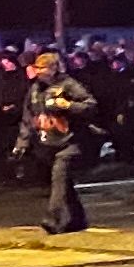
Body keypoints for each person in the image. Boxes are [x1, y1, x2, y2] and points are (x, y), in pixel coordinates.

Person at [23, 50, 97, 235]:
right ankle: (77, 219)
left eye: (42, 68)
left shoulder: (69, 85)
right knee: (64, 183)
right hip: (49, 142)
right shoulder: (35, 89)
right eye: (37, 68)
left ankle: (52, 220)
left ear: (53, 69)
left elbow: (90, 105)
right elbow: (28, 117)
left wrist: (67, 105)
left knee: (59, 176)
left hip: (71, 141)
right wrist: (22, 142)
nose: (38, 72)